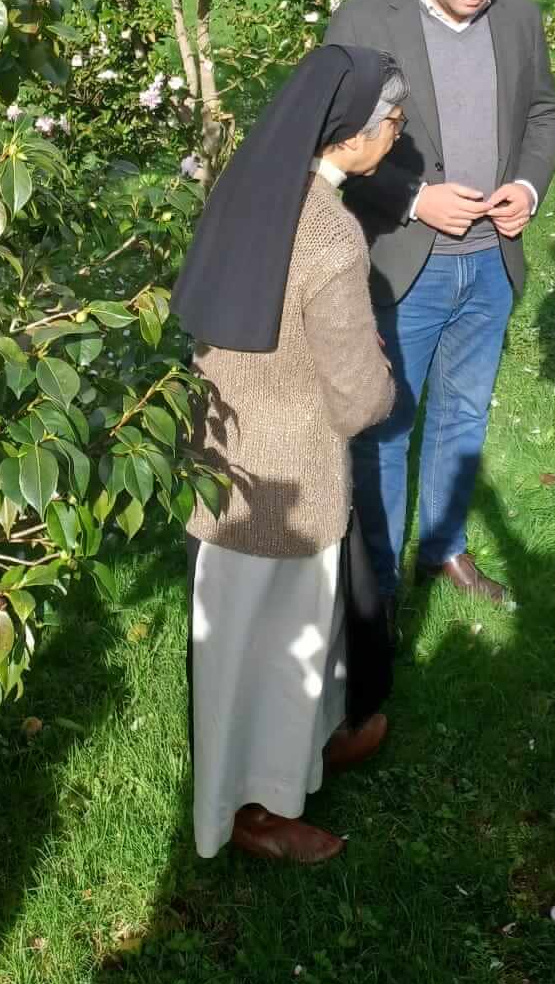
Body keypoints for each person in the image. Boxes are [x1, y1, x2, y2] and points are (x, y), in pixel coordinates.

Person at [169, 44, 407, 865]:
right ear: (353, 135)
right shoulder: (331, 232)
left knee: (247, 643)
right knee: (274, 649)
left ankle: (296, 760)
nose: (397, 133)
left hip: (223, 461)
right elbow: (356, 396)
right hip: (295, 474)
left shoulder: (248, 188)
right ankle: (253, 810)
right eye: (393, 120)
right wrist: (382, 380)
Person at [326, 0, 555, 613]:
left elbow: (543, 113)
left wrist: (525, 187)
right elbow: (331, 140)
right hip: (401, 264)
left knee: (463, 415)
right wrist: (413, 199)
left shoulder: (518, 17)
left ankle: (445, 549)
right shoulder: (364, 20)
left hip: (492, 262)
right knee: (387, 426)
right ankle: (380, 587)